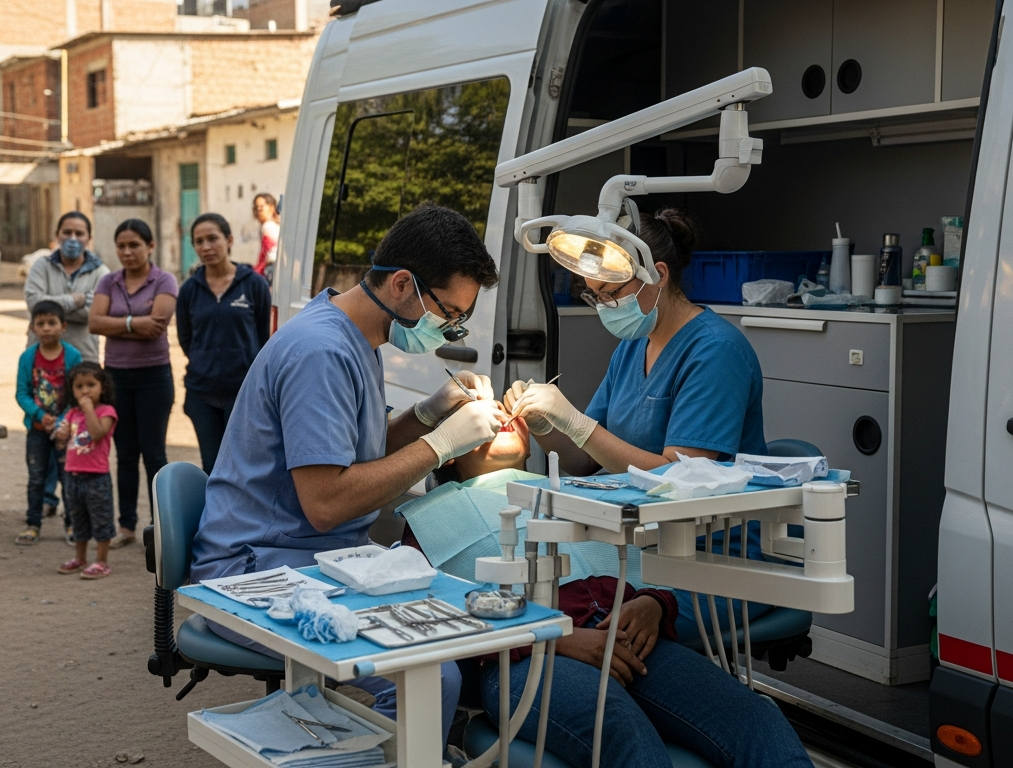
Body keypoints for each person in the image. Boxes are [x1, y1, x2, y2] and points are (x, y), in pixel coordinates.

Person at [190, 204, 503, 746]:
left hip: (310, 556)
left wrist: (428, 413)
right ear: (402, 284)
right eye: (447, 313)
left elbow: (354, 452)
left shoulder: (355, 333)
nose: (449, 329)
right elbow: (327, 503)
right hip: (254, 569)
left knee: (446, 637)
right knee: (432, 677)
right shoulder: (323, 351)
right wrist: (441, 445)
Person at [397, 426, 813, 768]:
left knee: (754, 718)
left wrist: (653, 604)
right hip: (529, 658)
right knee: (622, 732)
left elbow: (641, 564)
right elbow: (431, 614)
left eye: (506, 410)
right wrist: (553, 634)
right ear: (449, 450)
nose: (501, 416)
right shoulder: (431, 518)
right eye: (477, 414)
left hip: (628, 638)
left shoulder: (574, 491)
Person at [503, 208, 773, 643]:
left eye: (611, 292)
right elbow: (583, 462)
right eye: (594, 295)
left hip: (713, 563)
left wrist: (577, 422)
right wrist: (544, 423)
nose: (604, 306)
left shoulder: (716, 352)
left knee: (595, 626)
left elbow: (679, 483)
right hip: (641, 545)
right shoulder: (633, 349)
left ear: (658, 275)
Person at [87, 218, 177, 547]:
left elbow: (157, 326)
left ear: (150, 246)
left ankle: (160, 528)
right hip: (115, 378)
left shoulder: (164, 280)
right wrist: (134, 323)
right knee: (124, 455)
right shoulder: (108, 281)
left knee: (154, 454)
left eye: (134, 245)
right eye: (121, 246)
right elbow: (94, 323)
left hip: (154, 376)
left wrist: (117, 324)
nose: (127, 252)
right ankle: (126, 526)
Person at [176, 214, 270, 474]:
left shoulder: (254, 284)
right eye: (199, 241)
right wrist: (203, 361)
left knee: (241, 467)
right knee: (212, 467)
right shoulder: (190, 290)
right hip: (201, 394)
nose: (206, 247)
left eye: (212, 239)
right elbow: (186, 338)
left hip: (242, 393)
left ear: (229, 240)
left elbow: (263, 337)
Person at [15, 301, 83, 546]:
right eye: (40, 323)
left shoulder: (73, 356)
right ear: (32, 327)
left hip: (65, 431)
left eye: (52, 323)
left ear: (63, 326)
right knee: (36, 478)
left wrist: (62, 420)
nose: (46, 328)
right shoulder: (28, 357)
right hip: (37, 430)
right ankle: (33, 524)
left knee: (68, 478)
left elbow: (77, 393)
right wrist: (39, 415)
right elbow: (21, 393)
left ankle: (72, 524)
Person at [53, 362, 117, 579]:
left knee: (101, 519)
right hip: (72, 475)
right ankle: (80, 558)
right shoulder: (72, 413)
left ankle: (102, 561)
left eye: (91, 385)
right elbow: (64, 441)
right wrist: (61, 435)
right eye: (79, 386)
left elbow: (98, 433)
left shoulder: (107, 412)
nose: (85, 391)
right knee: (77, 518)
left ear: (103, 387)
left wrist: (89, 409)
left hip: (97, 477)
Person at [25, 212, 109, 362]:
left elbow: (94, 313)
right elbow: (34, 303)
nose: (73, 239)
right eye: (67, 232)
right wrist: (74, 301)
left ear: (89, 238)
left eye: (79, 234)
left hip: (83, 357)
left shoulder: (100, 273)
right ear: (57, 235)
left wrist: (48, 309)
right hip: (41, 357)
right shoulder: (42, 266)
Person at [251, 193, 279, 281]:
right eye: (256, 207)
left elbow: (270, 254)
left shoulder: (268, 226)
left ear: (271, 207)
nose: (258, 210)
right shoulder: (276, 225)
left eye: (261, 207)